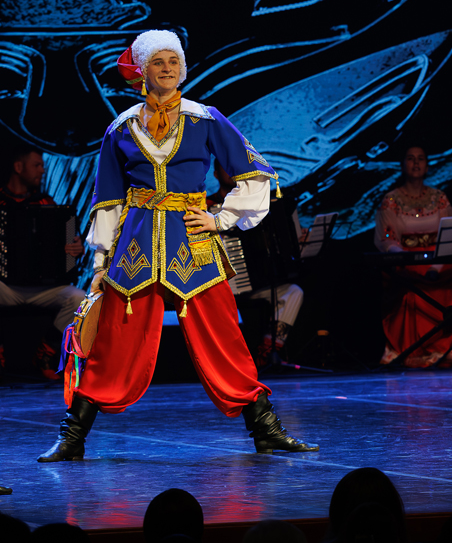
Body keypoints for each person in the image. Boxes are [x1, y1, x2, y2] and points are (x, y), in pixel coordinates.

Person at [38, 29, 317, 462]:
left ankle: (266, 429)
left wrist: (220, 219)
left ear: (182, 69)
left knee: (224, 337)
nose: (167, 69)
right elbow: (108, 200)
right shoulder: (121, 127)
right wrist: (99, 263)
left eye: (173, 61)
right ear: (142, 71)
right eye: (158, 62)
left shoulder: (205, 118)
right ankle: (72, 436)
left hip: (193, 244)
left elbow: (254, 172)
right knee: (113, 341)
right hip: (135, 248)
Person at [373, 146, 452, 367]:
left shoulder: (439, 198)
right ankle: (416, 350)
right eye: (410, 158)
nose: (416, 163)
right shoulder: (391, 200)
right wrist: (404, 258)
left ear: (427, 166)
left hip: (439, 258)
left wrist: (436, 265)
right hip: (407, 259)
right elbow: (386, 238)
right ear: (402, 165)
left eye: (421, 159)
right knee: (411, 283)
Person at [0, 144, 86, 379]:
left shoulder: (46, 203)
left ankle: (46, 353)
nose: (42, 171)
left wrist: (75, 249)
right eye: (37, 165)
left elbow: (69, 243)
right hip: (6, 287)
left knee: (79, 299)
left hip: (43, 288)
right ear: (18, 167)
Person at [208, 160, 305, 360]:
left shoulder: (256, 204)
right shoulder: (209, 208)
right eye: (226, 166)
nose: (232, 171)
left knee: (293, 292)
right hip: (222, 285)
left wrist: (295, 240)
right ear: (215, 174)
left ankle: (267, 353)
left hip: (258, 283)